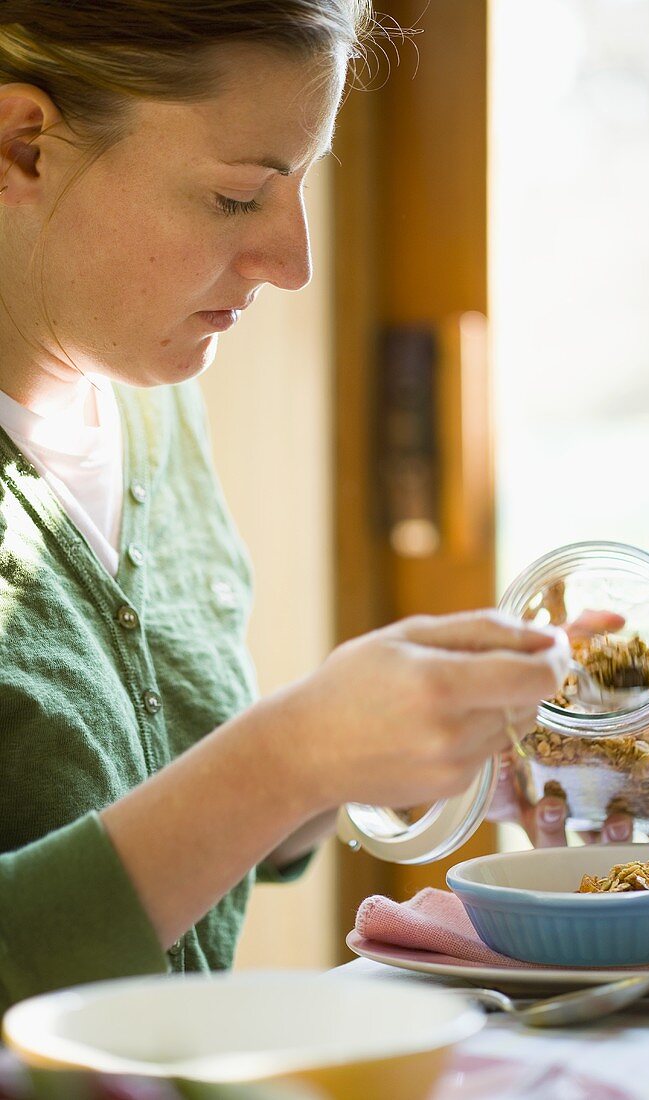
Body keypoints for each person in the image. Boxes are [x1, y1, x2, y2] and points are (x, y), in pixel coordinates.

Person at [0, 0, 575, 1013]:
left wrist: (381, 742)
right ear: (22, 145)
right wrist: (286, 752)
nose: (294, 262)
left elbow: (179, 833)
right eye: (237, 197)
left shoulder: (158, 414)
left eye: (302, 181)